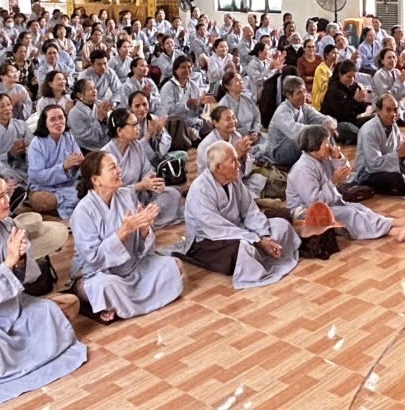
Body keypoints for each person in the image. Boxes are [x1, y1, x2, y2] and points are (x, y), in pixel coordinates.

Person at [0, 173, 88, 407]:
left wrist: (21, 260)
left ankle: (24, 347)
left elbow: (30, 276)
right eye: (0, 197)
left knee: (66, 305)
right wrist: (9, 262)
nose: (7, 201)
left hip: (16, 304)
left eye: (7, 194)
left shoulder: (9, 226)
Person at [71, 151, 184, 323]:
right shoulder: (83, 212)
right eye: (113, 168)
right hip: (99, 273)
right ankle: (115, 300)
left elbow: (142, 249)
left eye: (118, 166)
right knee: (106, 287)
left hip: (132, 266)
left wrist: (144, 229)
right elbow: (92, 258)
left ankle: (117, 305)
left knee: (173, 265)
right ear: (96, 180)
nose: (119, 171)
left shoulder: (126, 195)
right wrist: (123, 231)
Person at [178, 141, 299, 289]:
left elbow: (250, 210)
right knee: (244, 248)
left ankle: (265, 250)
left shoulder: (234, 180)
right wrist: (256, 240)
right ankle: (259, 255)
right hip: (209, 239)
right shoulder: (200, 190)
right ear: (219, 167)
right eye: (233, 161)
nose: (239, 165)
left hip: (239, 229)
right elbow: (217, 228)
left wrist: (264, 235)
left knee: (281, 225)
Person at [286, 125, 405, 242]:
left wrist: (338, 158)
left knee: (359, 208)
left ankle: (396, 230)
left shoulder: (323, 159)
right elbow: (314, 202)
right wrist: (333, 182)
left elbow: (346, 174)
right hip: (306, 212)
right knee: (349, 213)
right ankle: (396, 224)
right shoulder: (303, 169)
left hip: (326, 203)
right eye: (326, 143)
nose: (330, 145)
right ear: (315, 147)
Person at [101, 108, 183, 229]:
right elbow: (108, 191)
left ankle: (144, 218)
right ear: (119, 131)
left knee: (173, 194)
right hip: (120, 201)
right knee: (125, 212)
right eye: (134, 125)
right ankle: (144, 219)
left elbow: (147, 170)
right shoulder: (105, 155)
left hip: (142, 195)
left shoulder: (137, 145)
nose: (138, 127)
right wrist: (139, 186)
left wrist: (151, 182)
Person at [355, 94, 405, 198]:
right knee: (398, 180)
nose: (393, 114)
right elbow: (374, 164)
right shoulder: (369, 131)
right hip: (368, 172)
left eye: (395, 110)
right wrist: (399, 154)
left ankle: (395, 184)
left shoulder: (393, 125)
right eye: (388, 110)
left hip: (391, 165)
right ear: (378, 111)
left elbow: (400, 149)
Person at [27, 103, 85, 219]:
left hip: (70, 185)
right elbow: (36, 175)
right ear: (45, 123)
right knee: (41, 200)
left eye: (61, 117)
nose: (58, 122)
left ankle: (61, 205)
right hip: (44, 188)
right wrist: (63, 167)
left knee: (89, 188)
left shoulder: (69, 138)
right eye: (52, 119)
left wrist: (80, 164)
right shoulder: (37, 144)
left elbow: (78, 167)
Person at [267, 75, 337, 167]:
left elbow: (320, 117)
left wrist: (329, 123)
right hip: (280, 151)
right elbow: (295, 132)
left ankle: (334, 159)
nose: (304, 95)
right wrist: (321, 129)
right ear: (289, 95)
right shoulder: (282, 112)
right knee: (314, 136)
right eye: (299, 92)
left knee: (325, 130)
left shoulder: (304, 107)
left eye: (304, 91)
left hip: (295, 143)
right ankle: (327, 163)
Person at [67, 77, 111, 153]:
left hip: (107, 145)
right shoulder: (74, 114)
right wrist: (99, 120)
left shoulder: (100, 104)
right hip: (88, 150)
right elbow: (89, 139)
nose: (94, 91)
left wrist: (107, 117)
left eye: (94, 88)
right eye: (89, 89)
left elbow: (111, 128)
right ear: (79, 95)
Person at [216, 70, 262, 139]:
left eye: (241, 80)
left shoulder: (247, 98)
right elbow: (225, 128)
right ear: (227, 86)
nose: (241, 82)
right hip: (235, 139)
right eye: (237, 80)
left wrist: (255, 131)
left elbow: (257, 116)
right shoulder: (223, 104)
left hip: (252, 134)